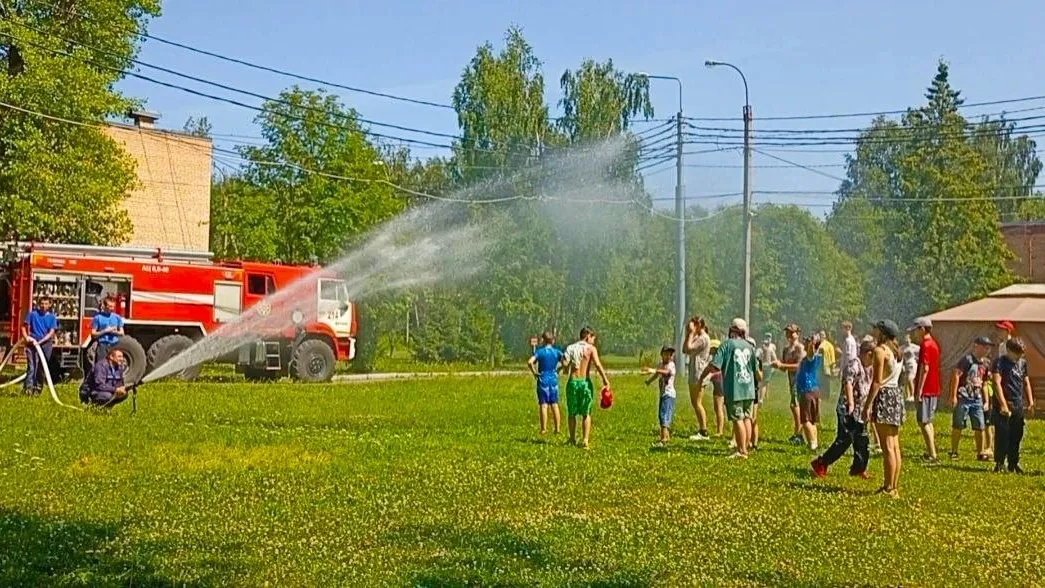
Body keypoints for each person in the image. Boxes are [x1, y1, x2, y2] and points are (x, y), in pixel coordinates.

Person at [811, 339, 876, 479]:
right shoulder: (854, 364)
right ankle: (821, 463)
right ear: (867, 354)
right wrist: (851, 403)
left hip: (861, 409)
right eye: (873, 356)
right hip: (847, 408)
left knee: (862, 440)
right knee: (844, 439)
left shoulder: (870, 368)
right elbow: (848, 382)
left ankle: (859, 468)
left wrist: (868, 407)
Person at [698, 318, 759, 459]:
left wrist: (703, 376)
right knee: (747, 418)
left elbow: (715, 365)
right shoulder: (750, 347)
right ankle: (746, 448)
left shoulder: (727, 345)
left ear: (733, 330)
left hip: (735, 388)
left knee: (737, 419)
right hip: (749, 389)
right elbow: (756, 370)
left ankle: (741, 450)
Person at [862, 320, 904, 499]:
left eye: (876, 330)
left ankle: (888, 488)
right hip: (895, 395)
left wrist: (867, 406)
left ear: (883, 334)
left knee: (887, 446)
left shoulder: (880, 351)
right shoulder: (897, 352)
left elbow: (877, 382)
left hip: (885, 396)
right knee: (894, 445)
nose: (873, 332)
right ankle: (893, 486)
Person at [991, 337, 1034, 474]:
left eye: (1021, 354)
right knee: (1003, 434)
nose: (1019, 356)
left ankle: (1013, 463)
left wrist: (1030, 402)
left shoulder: (1022, 363)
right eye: (1017, 353)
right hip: (1004, 403)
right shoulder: (1000, 362)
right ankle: (999, 462)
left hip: (1018, 403)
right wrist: (1003, 404)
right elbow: (996, 383)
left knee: (1017, 434)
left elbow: (1026, 382)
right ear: (1009, 350)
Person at [563, 327, 610, 449]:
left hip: (573, 382)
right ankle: (585, 440)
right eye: (593, 338)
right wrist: (605, 379)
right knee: (586, 413)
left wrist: (565, 368)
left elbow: (564, 364)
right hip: (584, 382)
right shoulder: (590, 349)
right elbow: (598, 365)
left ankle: (572, 438)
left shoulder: (570, 347)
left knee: (571, 412)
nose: (594, 341)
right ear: (587, 336)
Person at [948, 336, 992, 461]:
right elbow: (956, 375)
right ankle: (954, 451)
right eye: (984, 347)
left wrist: (986, 400)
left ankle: (980, 452)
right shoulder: (967, 360)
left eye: (988, 348)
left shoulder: (986, 363)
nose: (986, 350)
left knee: (980, 426)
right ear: (976, 346)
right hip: (964, 396)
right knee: (958, 424)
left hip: (977, 398)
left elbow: (984, 383)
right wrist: (953, 395)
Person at [777, 336, 822, 450]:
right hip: (812, 389)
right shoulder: (810, 357)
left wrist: (812, 343)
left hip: (807, 390)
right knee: (812, 420)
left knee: (805, 420)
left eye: (807, 342)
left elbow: (812, 351)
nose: (805, 344)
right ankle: (814, 442)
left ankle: (812, 443)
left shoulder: (811, 357)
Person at [911, 317, 941, 464]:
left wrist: (919, 390)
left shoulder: (925, 345)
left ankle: (932, 454)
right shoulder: (934, 344)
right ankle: (931, 451)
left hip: (927, 388)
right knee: (928, 421)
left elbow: (925, 368)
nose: (914, 334)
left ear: (922, 329)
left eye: (916, 330)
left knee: (923, 422)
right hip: (934, 387)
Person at [528, 331, 564, 436]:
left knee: (543, 405)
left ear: (543, 340)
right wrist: (559, 370)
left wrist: (535, 373)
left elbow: (530, 362)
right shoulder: (557, 352)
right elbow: (566, 362)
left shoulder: (540, 352)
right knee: (554, 404)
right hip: (553, 379)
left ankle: (543, 429)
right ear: (552, 340)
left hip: (542, 379)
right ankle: (557, 429)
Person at [683, 317, 712, 441]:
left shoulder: (703, 339)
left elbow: (689, 348)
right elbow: (685, 349)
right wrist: (690, 334)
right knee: (695, 402)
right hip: (694, 372)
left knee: (697, 402)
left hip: (699, 373)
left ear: (699, 325)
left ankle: (703, 431)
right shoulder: (697, 337)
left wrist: (690, 333)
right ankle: (702, 428)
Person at [22, 296, 58, 396]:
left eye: (46, 304)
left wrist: (41, 341)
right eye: (42, 303)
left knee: (41, 367)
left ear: (50, 305)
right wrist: (26, 337)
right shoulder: (32, 314)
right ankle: (28, 389)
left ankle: (38, 389)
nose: (43, 306)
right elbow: (23, 327)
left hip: (45, 344)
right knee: (31, 366)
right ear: (39, 304)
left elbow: (51, 332)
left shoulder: (52, 317)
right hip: (32, 342)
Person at [643, 346, 677, 448]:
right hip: (663, 394)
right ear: (661, 354)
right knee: (661, 415)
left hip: (669, 394)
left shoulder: (671, 365)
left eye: (670, 354)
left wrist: (653, 370)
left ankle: (663, 439)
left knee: (664, 416)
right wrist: (649, 381)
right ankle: (666, 437)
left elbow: (666, 372)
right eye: (666, 354)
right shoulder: (660, 364)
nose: (668, 356)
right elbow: (657, 374)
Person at [779, 324, 806, 444]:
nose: (789, 335)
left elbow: (799, 366)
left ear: (797, 334)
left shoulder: (799, 348)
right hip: (791, 379)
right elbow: (784, 366)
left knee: (795, 405)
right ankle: (798, 431)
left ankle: (799, 433)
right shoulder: (786, 349)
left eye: (792, 332)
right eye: (787, 332)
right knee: (794, 405)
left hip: (800, 380)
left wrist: (782, 366)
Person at [90, 296, 125, 362]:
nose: (112, 308)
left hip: (115, 345)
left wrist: (114, 332)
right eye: (110, 306)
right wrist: (105, 331)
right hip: (102, 346)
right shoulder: (97, 317)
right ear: (105, 306)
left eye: (113, 306)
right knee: (101, 366)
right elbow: (93, 334)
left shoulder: (117, 317)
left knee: (115, 366)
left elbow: (122, 333)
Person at [817, 330, 837, 403]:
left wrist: (833, 367)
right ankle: (820, 395)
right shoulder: (817, 344)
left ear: (825, 336)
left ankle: (826, 396)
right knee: (819, 381)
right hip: (818, 366)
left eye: (822, 334)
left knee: (826, 382)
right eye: (820, 334)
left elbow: (832, 356)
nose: (821, 336)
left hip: (826, 365)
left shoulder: (829, 345)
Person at [900, 333, 920, 402]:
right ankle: (907, 396)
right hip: (905, 364)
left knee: (910, 379)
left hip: (912, 364)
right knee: (906, 381)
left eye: (908, 339)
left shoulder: (914, 347)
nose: (907, 341)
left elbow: (920, 351)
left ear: (910, 340)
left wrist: (917, 359)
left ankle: (912, 395)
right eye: (906, 339)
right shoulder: (902, 348)